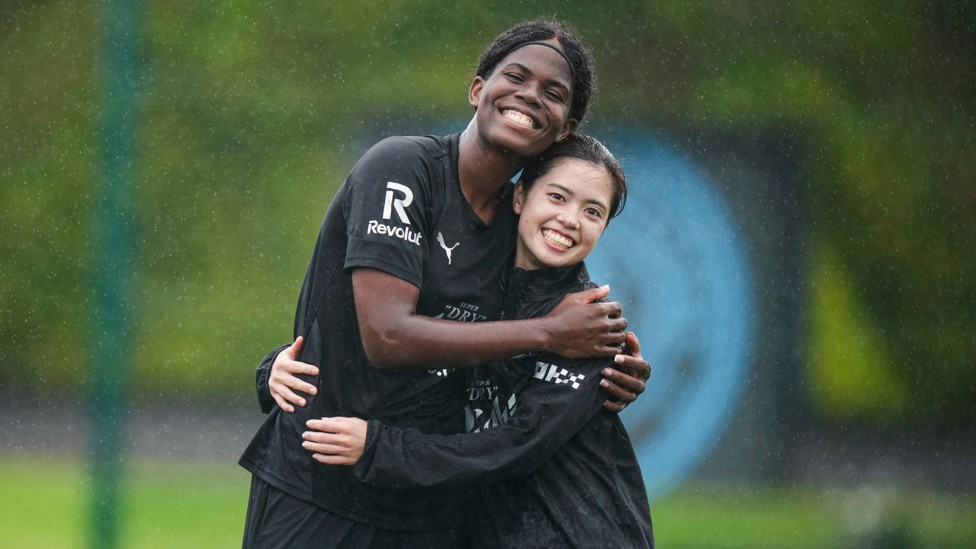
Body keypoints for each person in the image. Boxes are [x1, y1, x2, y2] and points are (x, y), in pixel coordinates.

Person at [239, 19, 651, 548]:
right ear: (479, 88)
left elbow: (571, 328)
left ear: (565, 127)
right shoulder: (401, 167)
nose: (529, 96)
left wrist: (611, 367)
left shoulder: (524, 223)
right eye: (516, 77)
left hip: (435, 511)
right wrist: (271, 368)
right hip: (317, 483)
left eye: (553, 93)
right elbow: (386, 337)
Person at [301, 133, 654, 548]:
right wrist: (281, 365)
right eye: (558, 197)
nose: (571, 219)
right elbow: (397, 333)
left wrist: (381, 448)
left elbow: (516, 445)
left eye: (592, 211)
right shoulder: (475, 290)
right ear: (520, 197)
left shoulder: (591, 326)